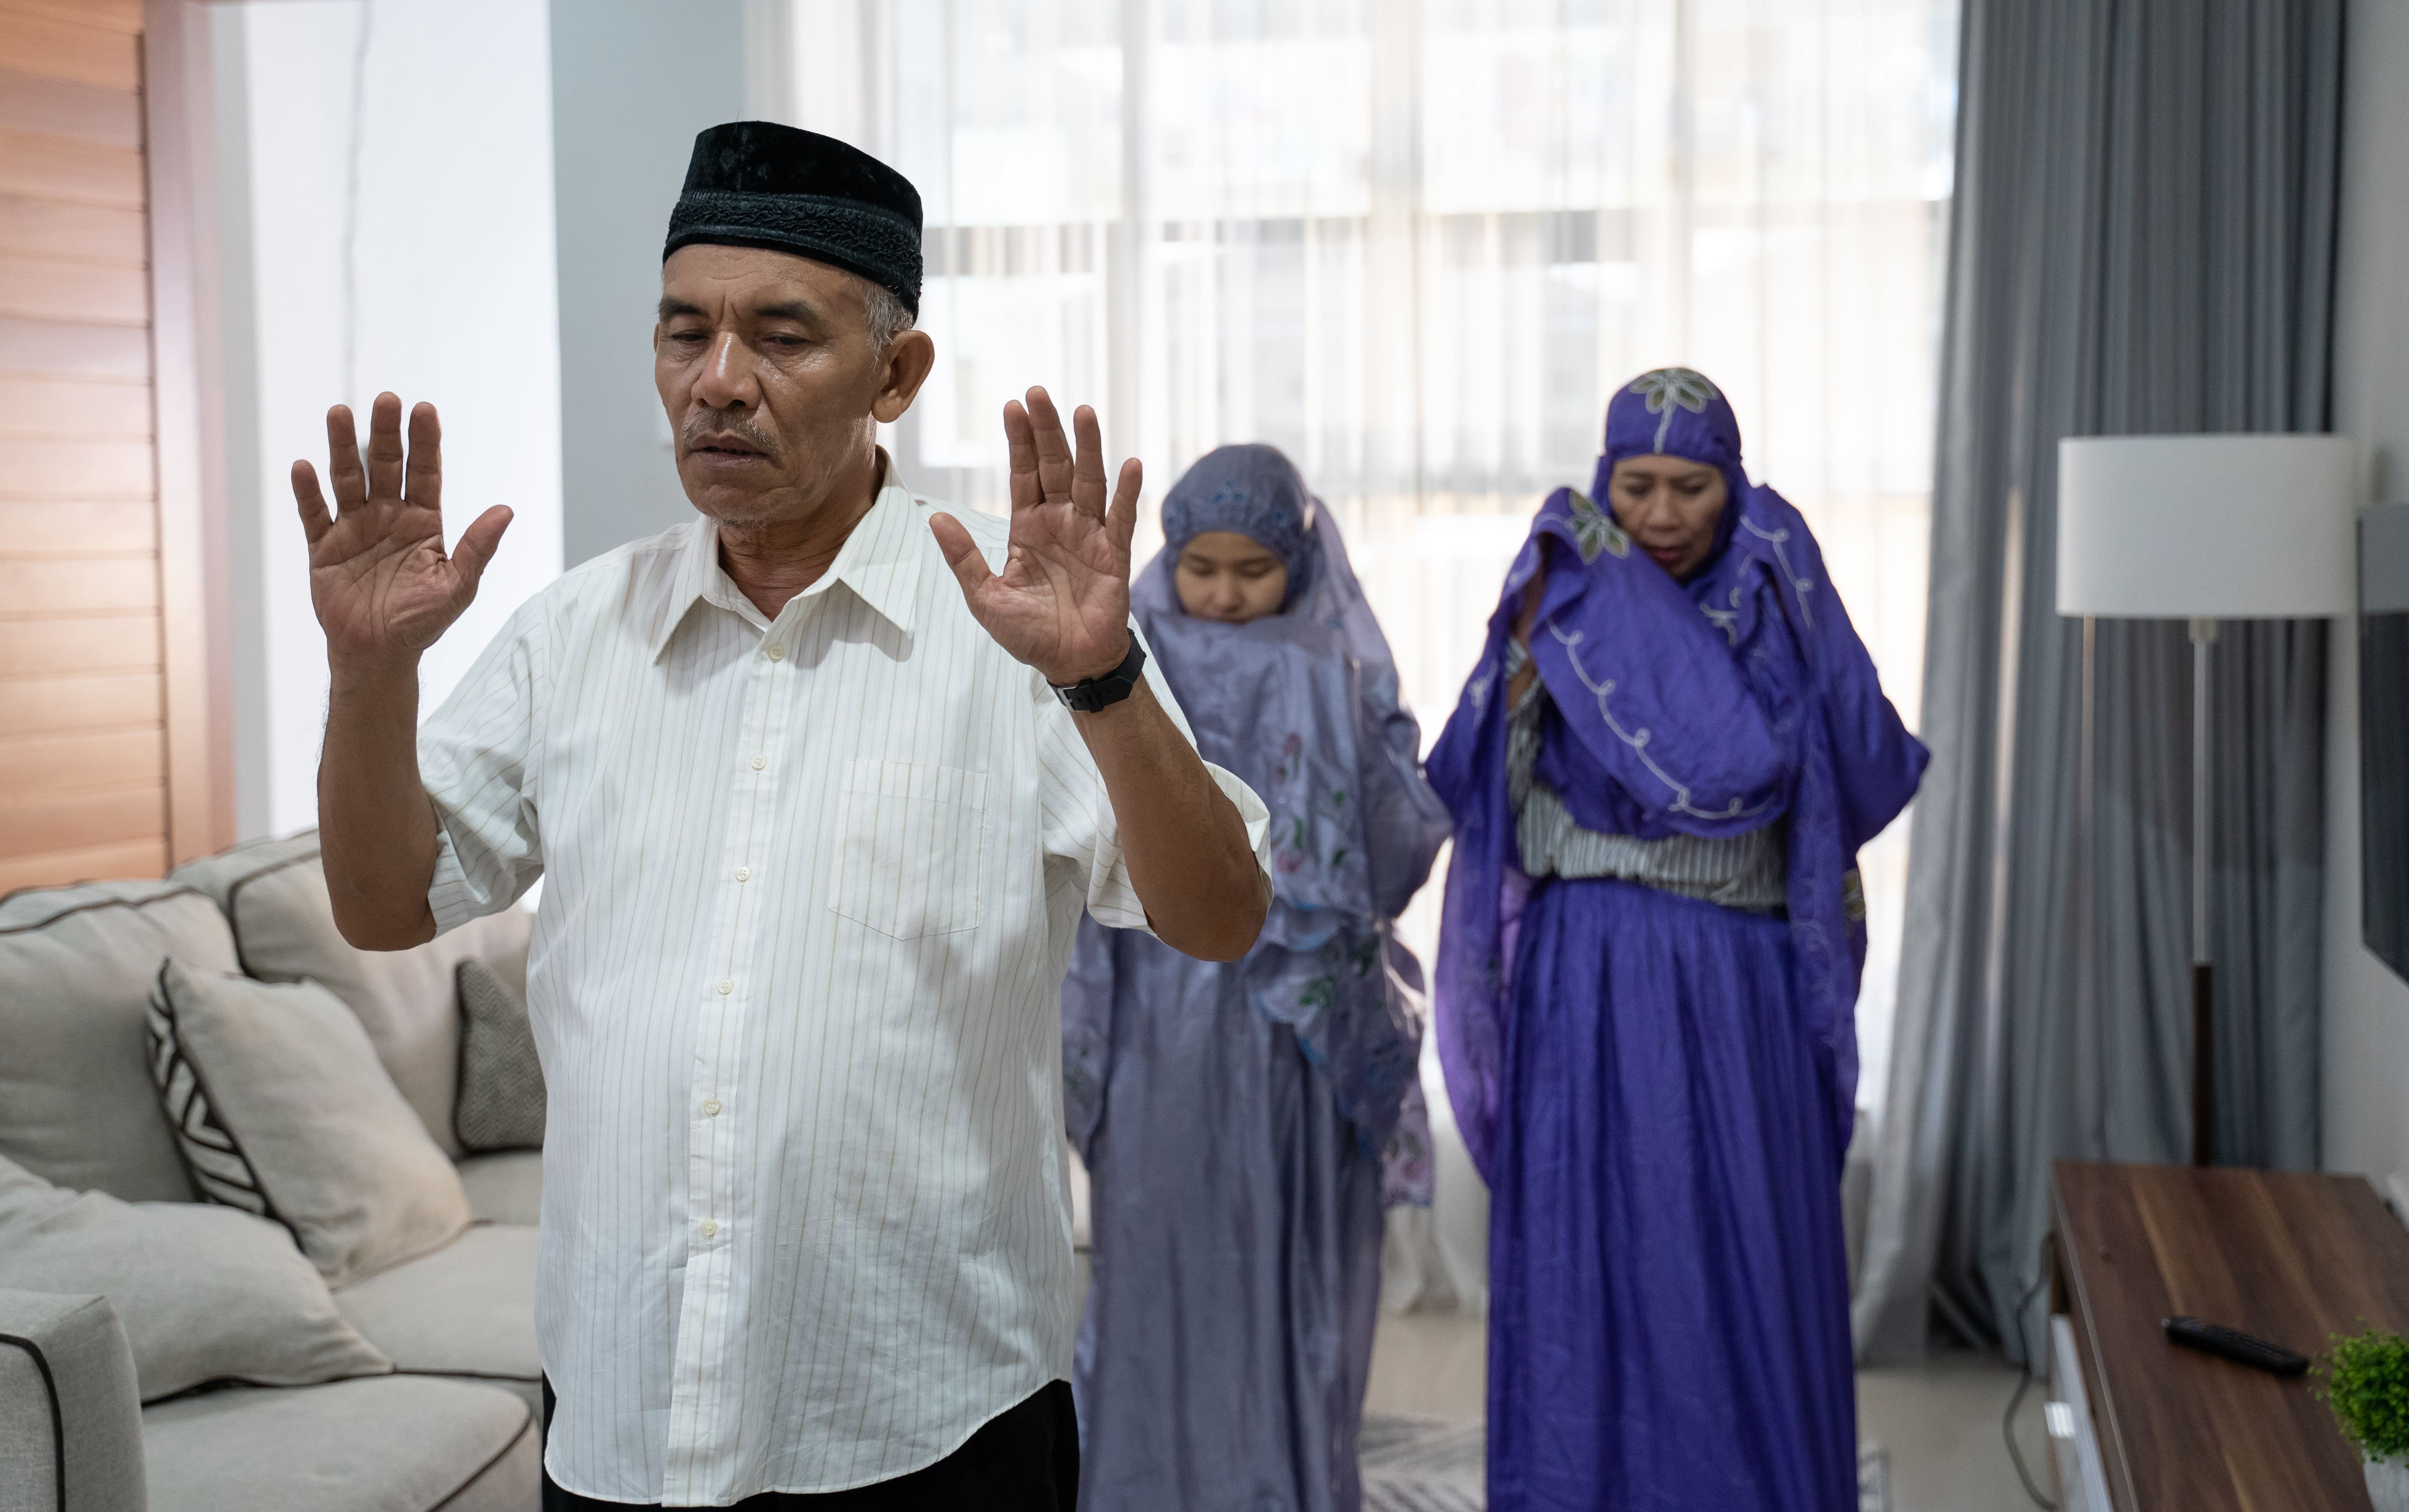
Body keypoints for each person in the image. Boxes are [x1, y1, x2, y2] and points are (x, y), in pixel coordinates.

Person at [290, 121, 1272, 1510]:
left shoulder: (1016, 632)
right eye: (683, 333)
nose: (718, 384)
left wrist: (1102, 679)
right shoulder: (577, 631)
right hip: (628, 1399)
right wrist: (368, 672)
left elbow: (1222, 916)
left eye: (782, 336)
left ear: (897, 371)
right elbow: (385, 904)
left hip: (932, 1410)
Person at [1426, 368, 1928, 1512]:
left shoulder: (1774, 584)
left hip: (1732, 975)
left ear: (1730, 481)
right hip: (1582, 969)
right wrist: (1516, 654)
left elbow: (1851, 765)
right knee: (1588, 1258)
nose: (1660, 514)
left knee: (1740, 1259)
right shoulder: (1563, 586)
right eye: (1636, 484)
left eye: (1689, 485)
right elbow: (1474, 785)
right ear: (1606, 479)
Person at [1062, 444, 1450, 1512]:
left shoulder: (1334, 666)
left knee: (1289, 1264)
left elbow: (1397, 836)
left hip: (1293, 1033)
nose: (1225, 593)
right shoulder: (1121, 663)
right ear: (1169, 557)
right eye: (1201, 567)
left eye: (1253, 569)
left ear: (1299, 561)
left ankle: (1280, 1484)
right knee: (1159, 1252)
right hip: (1156, 1010)